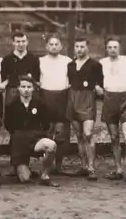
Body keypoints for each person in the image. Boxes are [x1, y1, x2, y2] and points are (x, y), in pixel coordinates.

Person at [4, 75, 59, 187]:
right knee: (25, 179)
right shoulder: (11, 105)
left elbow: (46, 123)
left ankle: (44, 174)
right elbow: (8, 124)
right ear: (18, 88)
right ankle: (22, 167)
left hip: (35, 138)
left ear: (33, 88)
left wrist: (38, 134)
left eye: (29, 87)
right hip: (19, 142)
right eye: (23, 86)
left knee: (51, 145)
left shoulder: (40, 103)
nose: (26, 90)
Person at [100, 38, 126, 182]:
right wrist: (99, 87)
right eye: (110, 47)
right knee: (114, 137)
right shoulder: (102, 63)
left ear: (119, 48)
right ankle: (118, 169)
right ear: (106, 49)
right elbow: (96, 79)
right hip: (110, 98)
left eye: (115, 47)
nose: (113, 49)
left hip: (125, 98)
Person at [66, 38, 103, 181]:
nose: (79, 49)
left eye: (82, 46)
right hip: (73, 98)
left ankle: (92, 167)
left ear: (87, 48)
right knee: (79, 135)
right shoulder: (70, 65)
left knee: (88, 134)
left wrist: (97, 88)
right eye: (77, 47)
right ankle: (83, 166)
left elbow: (100, 85)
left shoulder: (95, 64)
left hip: (87, 99)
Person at [39, 36, 72, 175]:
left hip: (62, 97)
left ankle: (58, 165)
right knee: (46, 132)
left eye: (56, 44)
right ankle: (45, 165)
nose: (53, 46)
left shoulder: (68, 61)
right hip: (45, 97)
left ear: (61, 46)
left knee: (62, 134)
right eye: (51, 44)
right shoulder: (40, 61)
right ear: (46, 46)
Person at [0, 31, 41, 108]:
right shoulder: (7, 59)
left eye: (23, 41)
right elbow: (3, 79)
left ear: (27, 42)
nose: (21, 44)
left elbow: (37, 78)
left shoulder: (34, 59)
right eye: (18, 41)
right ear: (13, 43)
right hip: (13, 92)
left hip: (29, 92)